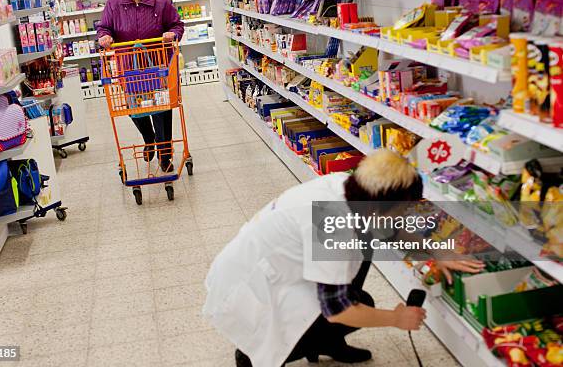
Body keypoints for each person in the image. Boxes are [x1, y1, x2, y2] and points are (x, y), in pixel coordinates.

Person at [203, 150, 484, 367]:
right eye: (404, 208)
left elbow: (390, 229)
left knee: (363, 274)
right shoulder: (333, 227)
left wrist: (438, 253)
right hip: (251, 288)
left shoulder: (351, 189)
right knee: (357, 307)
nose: (406, 214)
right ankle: (251, 355)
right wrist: (397, 318)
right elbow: (339, 310)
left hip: (272, 265)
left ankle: (329, 343)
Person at [96, 0, 184, 171]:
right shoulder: (113, 3)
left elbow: (176, 24)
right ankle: (148, 137)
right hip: (129, 66)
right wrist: (105, 37)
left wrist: (172, 34)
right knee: (133, 107)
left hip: (158, 63)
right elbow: (104, 28)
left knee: (162, 109)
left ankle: (164, 156)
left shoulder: (161, 0)